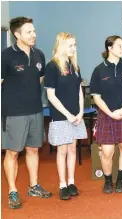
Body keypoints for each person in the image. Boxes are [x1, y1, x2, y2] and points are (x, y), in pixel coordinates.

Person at [1, 17, 52, 209]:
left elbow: (39, 80)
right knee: (13, 153)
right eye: (29, 32)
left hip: (35, 110)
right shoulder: (5, 56)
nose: (34, 35)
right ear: (17, 34)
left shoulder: (39, 55)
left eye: (34, 31)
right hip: (13, 112)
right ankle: (12, 191)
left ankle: (33, 185)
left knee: (33, 149)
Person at [90, 35, 122, 194]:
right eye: (119, 46)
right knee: (107, 152)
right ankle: (107, 180)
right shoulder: (99, 70)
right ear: (109, 48)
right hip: (107, 115)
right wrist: (110, 113)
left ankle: (120, 180)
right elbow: (96, 97)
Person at [44, 32, 87, 200]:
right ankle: (62, 185)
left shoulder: (74, 67)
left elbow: (79, 91)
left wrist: (81, 111)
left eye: (75, 45)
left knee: (72, 149)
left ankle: (71, 182)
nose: (73, 48)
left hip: (76, 116)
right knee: (62, 150)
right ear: (61, 46)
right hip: (62, 117)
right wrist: (68, 115)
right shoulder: (52, 66)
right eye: (70, 45)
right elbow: (51, 96)